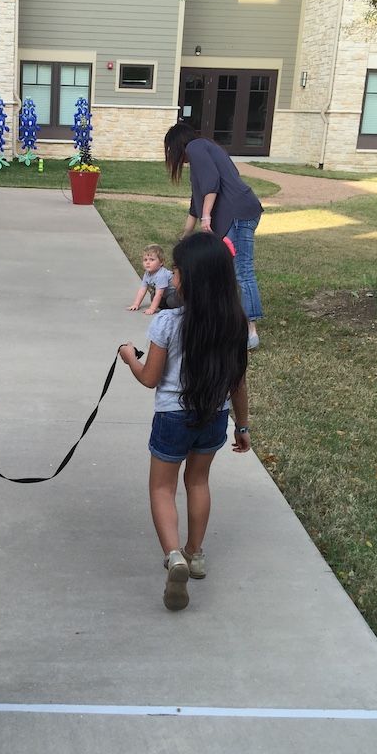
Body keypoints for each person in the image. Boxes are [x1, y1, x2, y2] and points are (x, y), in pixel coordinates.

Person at [119, 233, 251, 611]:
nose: (173, 273)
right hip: (214, 416)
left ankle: (173, 556)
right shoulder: (235, 324)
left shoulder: (167, 323)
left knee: (162, 488)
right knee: (198, 481)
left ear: (187, 278)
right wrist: (242, 426)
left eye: (177, 268)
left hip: (172, 417)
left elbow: (149, 378)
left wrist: (129, 356)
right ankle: (195, 553)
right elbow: (238, 382)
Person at [164, 121, 263, 349]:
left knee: (242, 270)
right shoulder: (204, 150)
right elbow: (195, 200)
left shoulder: (197, 147)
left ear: (178, 144)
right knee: (224, 271)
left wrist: (206, 217)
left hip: (238, 214)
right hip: (235, 214)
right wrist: (186, 233)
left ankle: (250, 332)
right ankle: (224, 321)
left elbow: (212, 184)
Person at [126, 244, 173, 314]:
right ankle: (166, 306)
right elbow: (142, 290)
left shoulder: (161, 275)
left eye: (152, 260)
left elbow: (159, 294)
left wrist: (152, 309)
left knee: (170, 301)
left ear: (161, 262)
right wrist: (136, 304)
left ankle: (181, 308)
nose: (148, 262)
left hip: (176, 294)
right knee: (153, 296)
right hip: (165, 294)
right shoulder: (147, 273)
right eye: (145, 260)